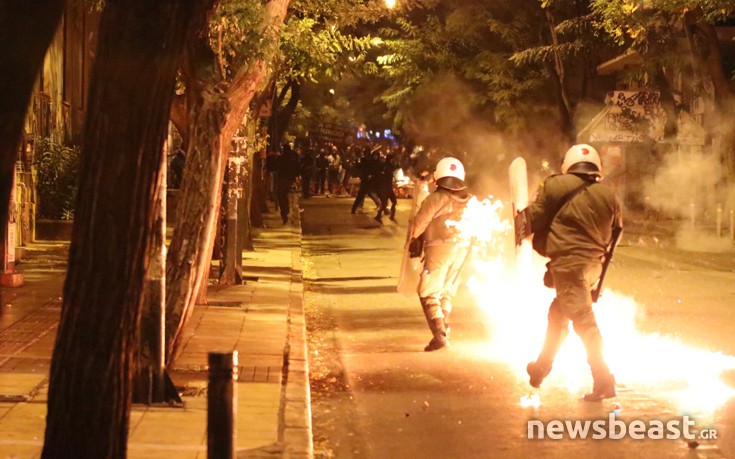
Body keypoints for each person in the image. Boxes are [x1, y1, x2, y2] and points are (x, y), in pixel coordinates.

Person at [515, 144, 623, 402]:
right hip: (593, 265)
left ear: (568, 165)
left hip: (569, 265)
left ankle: (603, 378)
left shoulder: (554, 185)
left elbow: (534, 218)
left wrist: (519, 220)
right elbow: (617, 231)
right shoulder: (609, 195)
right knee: (558, 314)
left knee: (584, 322)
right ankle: (541, 367)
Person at [408, 157, 471, 351]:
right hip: (462, 248)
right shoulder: (468, 199)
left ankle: (439, 334)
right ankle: (445, 327)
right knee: (446, 290)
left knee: (427, 291)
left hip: (439, 248)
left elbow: (420, 222)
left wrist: (413, 240)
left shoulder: (436, 199)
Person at [275, 143, 300, 224]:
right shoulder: (292, 159)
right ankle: (286, 210)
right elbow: (297, 168)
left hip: (282, 179)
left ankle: (285, 211)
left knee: (281, 195)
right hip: (289, 179)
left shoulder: (281, 158)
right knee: (285, 195)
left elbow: (276, 166)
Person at [375, 153, 399, 223]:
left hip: (387, 187)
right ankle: (379, 216)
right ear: (391, 159)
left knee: (391, 202)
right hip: (385, 187)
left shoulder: (385, 165)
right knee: (386, 203)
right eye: (392, 159)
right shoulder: (387, 166)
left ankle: (390, 216)